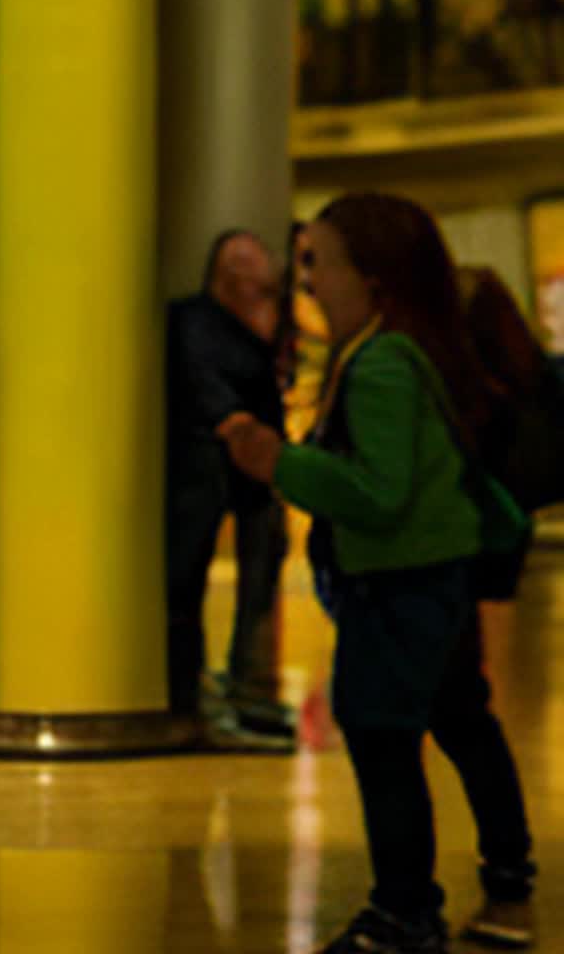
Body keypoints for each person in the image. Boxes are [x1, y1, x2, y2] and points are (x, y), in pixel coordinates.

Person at [220, 194, 534, 954]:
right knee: (462, 716)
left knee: (383, 736)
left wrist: (278, 461)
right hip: (434, 575)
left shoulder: (383, 362)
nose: (308, 282)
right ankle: (507, 871)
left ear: (375, 281)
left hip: (401, 586)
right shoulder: (399, 348)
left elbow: (378, 494)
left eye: (318, 264)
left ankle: (404, 912)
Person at [166, 228, 293, 745]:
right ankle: (183, 689)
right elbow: (201, 383)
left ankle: (251, 686)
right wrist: (234, 424)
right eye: (242, 265)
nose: (254, 275)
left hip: (256, 466)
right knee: (185, 576)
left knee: (263, 571)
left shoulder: (266, 324)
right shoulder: (194, 320)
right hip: (204, 464)